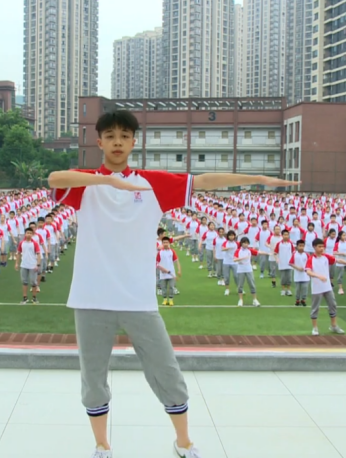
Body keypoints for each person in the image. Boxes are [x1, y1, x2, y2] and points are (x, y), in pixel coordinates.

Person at [47, 109, 297, 458]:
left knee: (166, 371)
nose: (117, 142)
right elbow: (54, 178)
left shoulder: (153, 184)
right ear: (99, 141)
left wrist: (255, 177)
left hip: (138, 299)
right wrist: (107, 182)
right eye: (110, 136)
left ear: (134, 142)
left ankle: (184, 441)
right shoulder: (85, 184)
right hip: (91, 297)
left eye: (124, 136)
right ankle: (102, 445)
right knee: (93, 376)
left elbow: (204, 181)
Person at [305, 238, 346, 336]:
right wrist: (319, 276)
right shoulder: (311, 259)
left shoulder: (326, 257)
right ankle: (315, 328)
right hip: (317, 288)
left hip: (327, 287)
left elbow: (338, 260)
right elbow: (308, 271)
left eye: (323, 247)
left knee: (333, 305)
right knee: (315, 308)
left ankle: (334, 326)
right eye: (319, 247)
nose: (322, 248)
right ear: (314, 247)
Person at [233, 236, 263, 307]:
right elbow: (234, 259)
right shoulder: (238, 251)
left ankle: (254, 300)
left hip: (249, 269)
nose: (246, 244)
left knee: (252, 284)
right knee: (240, 285)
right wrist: (243, 258)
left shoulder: (249, 250)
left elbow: (258, 252)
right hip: (241, 269)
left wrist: (269, 253)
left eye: (247, 243)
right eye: (244, 243)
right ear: (241, 243)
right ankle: (240, 300)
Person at [15, 227, 42, 304]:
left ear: (32, 234)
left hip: (32, 265)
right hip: (24, 265)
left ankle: (34, 297)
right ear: (25, 234)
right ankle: (25, 297)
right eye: (27, 233)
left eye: (30, 233)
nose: (29, 234)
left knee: (33, 282)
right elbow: (18, 253)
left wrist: (38, 264)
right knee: (24, 282)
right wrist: (17, 263)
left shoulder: (34, 243)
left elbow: (38, 254)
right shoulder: (21, 243)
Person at [157, 236, 181, 306]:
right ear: (162, 243)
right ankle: (164, 299)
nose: (165, 244)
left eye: (167, 242)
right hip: (163, 274)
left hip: (171, 273)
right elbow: (157, 263)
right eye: (164, 242)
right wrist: (162, 269)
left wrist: (179, 270)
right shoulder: (160, 253)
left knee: (171, 287)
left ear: (169, 243)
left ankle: (171, 299)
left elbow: (176, 261)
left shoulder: (172, 251)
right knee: (163, 287)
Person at [289, 239, 310, 307]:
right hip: (297, 275)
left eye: (302, 246)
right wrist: (297, 267)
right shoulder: (294, 254)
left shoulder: (306, 254)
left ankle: (303, 300)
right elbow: (290, 263)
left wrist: (306, 268)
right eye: (300, 246)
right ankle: (297, 300)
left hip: (305, 275)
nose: (301, 247)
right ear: (297, 246)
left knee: (305, 288)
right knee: (297, 289)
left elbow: (310, 263)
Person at [273, 230, 294, 297]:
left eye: (287, 235)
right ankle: (283, 290)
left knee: (289, 278)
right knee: (283, 278)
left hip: (289, 264)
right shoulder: (279, 244)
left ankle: (288, 290)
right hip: (282, 263)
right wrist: (277, 259)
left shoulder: (290, 243)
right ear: (282, 235)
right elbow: (275, 253)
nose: (286, 236)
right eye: (284, 235)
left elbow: (293, 253)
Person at [220, 230, 239, 297]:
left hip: (234, 262)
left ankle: (239, 288)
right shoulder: (225, 243)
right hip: (226, 262)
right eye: (230, 235)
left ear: (234, 236)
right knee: (226, 276)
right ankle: (227, 289)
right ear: (228, 236)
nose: (231, 237)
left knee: (236, 276)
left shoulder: (237, 243)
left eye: (232, 235)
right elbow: (222, 249)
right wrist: (227, 248)